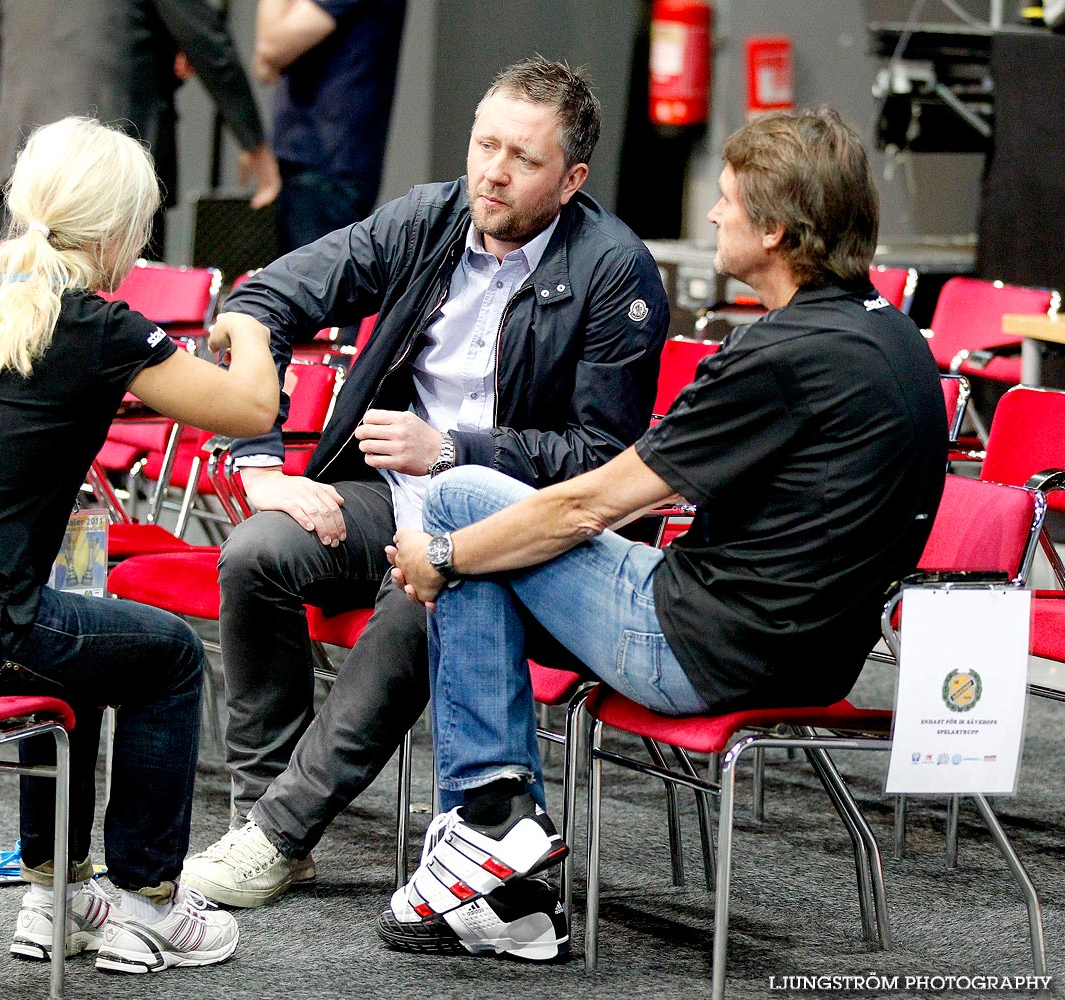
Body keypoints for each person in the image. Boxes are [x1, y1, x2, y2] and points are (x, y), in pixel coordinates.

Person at [381, 108, 949, 959]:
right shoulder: (893, 336)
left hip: (702, 646)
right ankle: (510, 886)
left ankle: (492, 823)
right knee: (493, 564)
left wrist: (441, 553)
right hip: (813, 649)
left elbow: (591, 505)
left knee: (463, 497)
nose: (714, 217)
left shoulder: (782, 357)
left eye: (725, 202)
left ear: (776, 231)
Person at [181, 57, 670, 940]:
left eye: (522, 158)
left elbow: (602, 459)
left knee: (427, 593)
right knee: (257, 552)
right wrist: (264, 467)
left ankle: (282, 826)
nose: (492, 170)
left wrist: (454, 449)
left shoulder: (613, 272)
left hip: (516, 530)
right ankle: (266, 820)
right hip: (387, 493)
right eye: (486, 144)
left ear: (572, 179)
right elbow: (265, 297)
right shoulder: (430, 218)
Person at [0, 117, 280, 974]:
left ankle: (57, 897)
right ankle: (151, 903)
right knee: (171, 658)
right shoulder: (99, 327)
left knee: (66, 649)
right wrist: (252, 325)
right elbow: (253, 411)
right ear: (118, 235)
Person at [0, 0, 281, 253]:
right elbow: (207, 43)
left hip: (26, 164)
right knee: (124, 305)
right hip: (112, 174)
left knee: (20, 301)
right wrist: (254, 144)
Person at [252, 0, 406, 254]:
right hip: (311, 163)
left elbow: (270, 47)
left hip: (327, 169)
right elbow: (264, 65)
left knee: (309, 287)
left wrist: (273, 49)